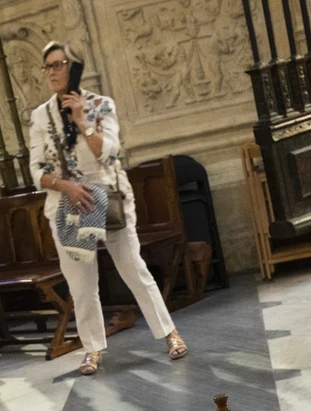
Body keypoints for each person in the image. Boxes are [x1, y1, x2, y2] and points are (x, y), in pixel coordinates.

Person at [27, 41, 188, 376]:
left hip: (109, 198)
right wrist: (66, 186)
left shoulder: (101, 105)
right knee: (82, 285)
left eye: (58, 65)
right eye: (47, 66)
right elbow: (36, 170)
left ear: (74, 68)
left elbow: (111, 153)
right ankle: (92, 349)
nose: (52, 72)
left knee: (134, 269)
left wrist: (83, 122)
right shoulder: (40, 116)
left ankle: (169, 333)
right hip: (67, 203)